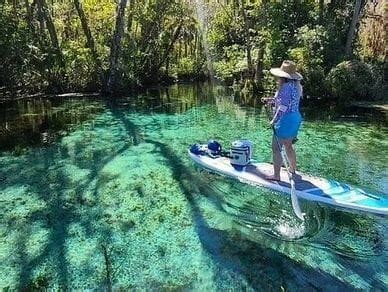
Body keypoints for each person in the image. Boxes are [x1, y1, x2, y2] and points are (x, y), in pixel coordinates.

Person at [262, 60, 303, 181]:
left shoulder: (284, 88)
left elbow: (283, 107)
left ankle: (276, 175)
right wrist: (270, 100)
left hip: (286, 120)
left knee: (276, 148)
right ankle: (292, 169)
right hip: (295, 118)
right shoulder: (296, 87)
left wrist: (274, 121)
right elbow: (284, 102)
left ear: (283, 77)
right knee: (288, 145)